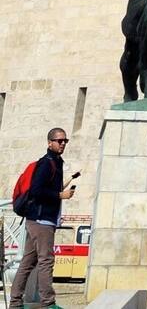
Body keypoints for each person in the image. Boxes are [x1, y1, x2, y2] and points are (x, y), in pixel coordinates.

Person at [8, 128, 75, 309]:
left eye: (65, 141)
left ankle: (15, 303)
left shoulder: (57, 162)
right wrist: (60, 195)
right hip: (41, 219)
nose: (62, 143)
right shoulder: (47, 163)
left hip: (39, 219)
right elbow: (37, 191)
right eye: (58, 140)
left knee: (28, 262)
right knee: (46, 260)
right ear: (49, 142)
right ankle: (48, 303)